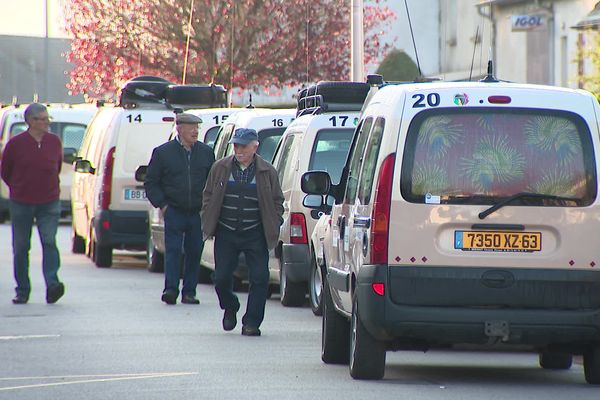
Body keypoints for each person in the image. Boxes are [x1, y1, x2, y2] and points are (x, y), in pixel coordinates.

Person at [201, 128, 284, 336]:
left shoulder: (267, 171)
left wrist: (275, 221)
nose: (238, 150)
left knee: (260, 277)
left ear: (255, 147)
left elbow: (277, 201)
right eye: (236, 145)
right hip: (226, 232)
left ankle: (252, 323)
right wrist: (207, 217)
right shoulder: (220, 168)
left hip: (255, 233)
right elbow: (208, 195)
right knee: (221, 277)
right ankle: (230, 306)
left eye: (243, 146)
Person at [145, 113, 215, 305]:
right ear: (179, 128)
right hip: (174, 210)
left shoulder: (206, 153)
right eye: (191, 127)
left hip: (197, 212)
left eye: (197, 127)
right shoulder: (163, 153)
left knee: (194, 252)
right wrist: (163, 205)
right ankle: (171, 289)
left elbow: (213, 182)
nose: (195, 131)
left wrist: (209, 208)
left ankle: (189, 292)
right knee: (173, 251)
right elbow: (151, 183)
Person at [0, 103, 64, 304]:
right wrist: (19, 187)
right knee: (21, 246)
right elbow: (5, 171)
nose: (46, 123)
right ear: (31, 121)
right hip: (22, 202)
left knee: (49, 241)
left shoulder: (54, 142)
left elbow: (57, 166)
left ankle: (53, 284)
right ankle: (22, 289)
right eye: (42, 119)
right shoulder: (16, 144)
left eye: (47, 119)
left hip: (49, 201)